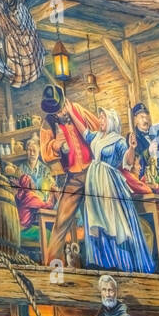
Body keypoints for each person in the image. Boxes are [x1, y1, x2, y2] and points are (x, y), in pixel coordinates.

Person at [82, 109, 157, 273]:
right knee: (98, 221)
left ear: (111, 121)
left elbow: (127, 163)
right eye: (99, 117)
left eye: (103, 118)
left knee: (115, 222)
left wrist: (131, 148)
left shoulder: (118, 140)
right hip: (95, 184)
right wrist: (69, 109)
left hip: (111, 184)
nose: (100, 120)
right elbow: (83, 131)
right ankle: (102, 262)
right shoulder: (96, 137)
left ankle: (123, 263)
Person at [39, 83, 103, 266]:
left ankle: (98, 265)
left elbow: (98, 130)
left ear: (65, 102)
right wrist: (57, 145)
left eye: (60, 110)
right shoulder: (48, 123)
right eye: (56, 112)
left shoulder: (77, 110)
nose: (59, 115)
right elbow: (45, 153)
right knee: (61, 223)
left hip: (92, 174)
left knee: (97, 222)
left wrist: (75, 118)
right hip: (73, 177)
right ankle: (52, 269)